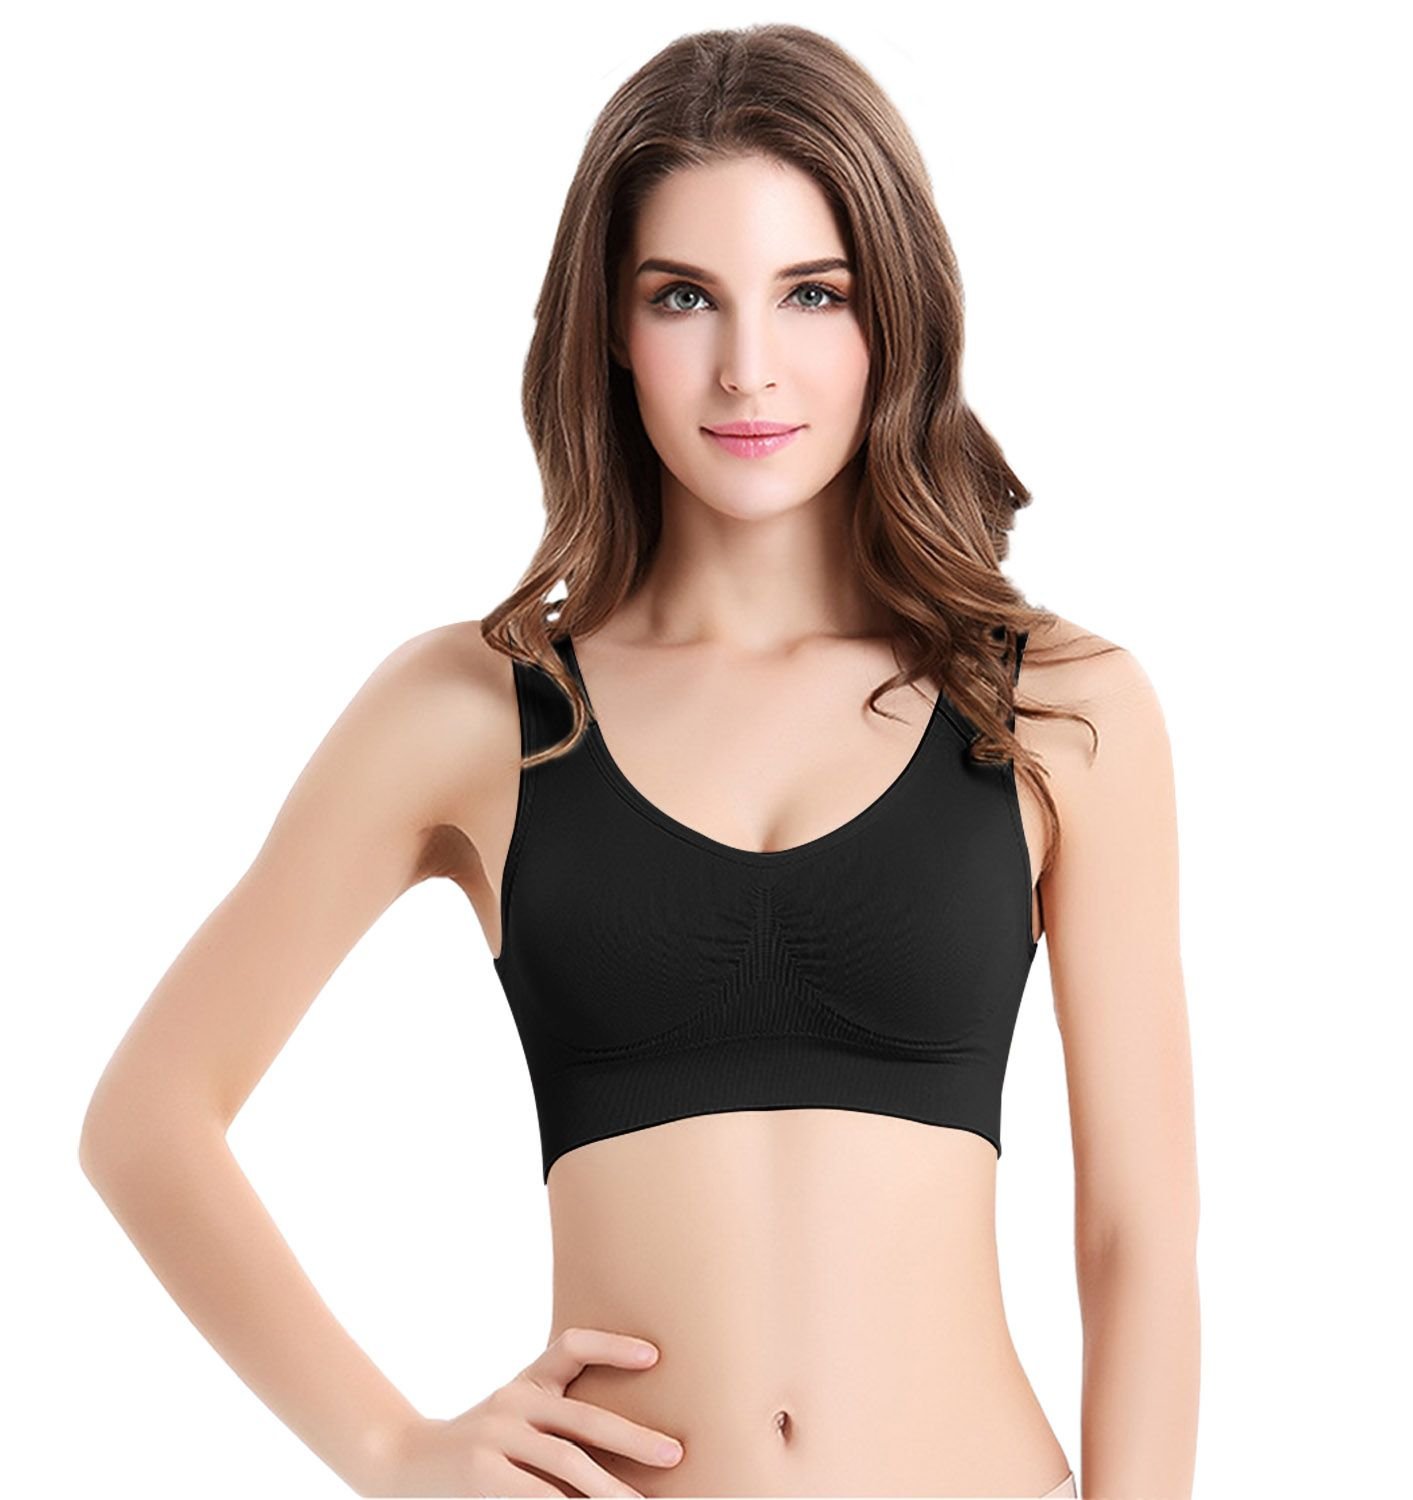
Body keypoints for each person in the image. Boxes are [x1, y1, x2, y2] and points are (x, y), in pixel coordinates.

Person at [79, 23, 1199, 1500]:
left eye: (812, 293)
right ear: (610, 326)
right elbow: (147, 1121)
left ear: (896, 314)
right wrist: (390, 1449)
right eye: (684, 297)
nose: (748, 369)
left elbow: (1136, 1235)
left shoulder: (1056, 709)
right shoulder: (476, 711)